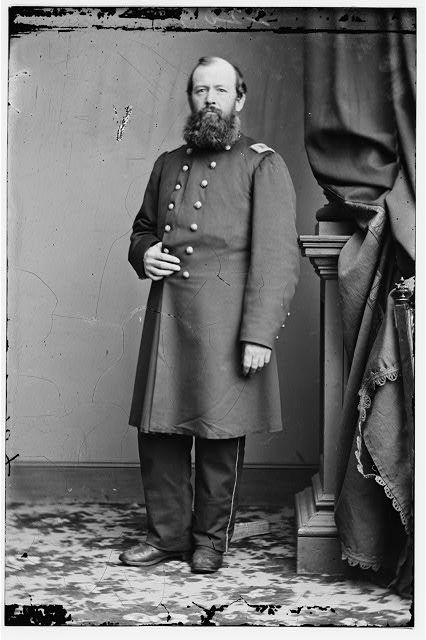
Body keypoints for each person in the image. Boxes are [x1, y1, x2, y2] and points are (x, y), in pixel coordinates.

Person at [119, 56, 300, 574]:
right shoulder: (167, 163)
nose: (210, 100)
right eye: (201, 91)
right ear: (191, 98)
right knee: (159, 431)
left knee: (219, 433)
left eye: (221, 90)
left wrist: (259, 334)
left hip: (227, 324)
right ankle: (166, 537)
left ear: (240, 98)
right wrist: (144, 253)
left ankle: (209, 541)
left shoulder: (262, 164)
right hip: (170, 318)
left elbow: (277, 258)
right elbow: (142, 228)